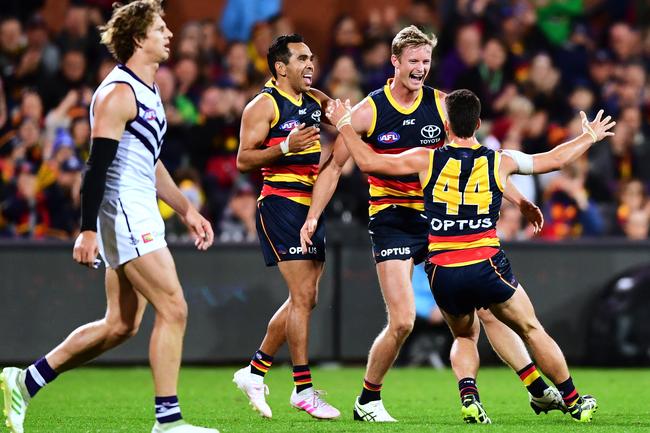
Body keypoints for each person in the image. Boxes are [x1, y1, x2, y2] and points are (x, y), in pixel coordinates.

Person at [300, 25, 561, 422]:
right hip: (389, 220)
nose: (421, 68)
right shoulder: (370, 110)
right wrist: (313, 215)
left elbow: (476, 162)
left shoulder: (442, 106)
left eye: (426, 61)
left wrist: (519, 199)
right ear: (395, 62)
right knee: (402, 320)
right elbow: (335, 168)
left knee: (489, 309)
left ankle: (537, 388)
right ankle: (367, 400)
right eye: (414, 61)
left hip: (434, 220)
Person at [326, 89, 614, 423]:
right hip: (486, 263)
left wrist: (345, 124)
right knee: (532, 329)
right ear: (478, 123)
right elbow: (554, 159)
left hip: (444, 270)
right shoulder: (499, 160)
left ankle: (470, 397)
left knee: (465, 335)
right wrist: (589, 137)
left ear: (446, 125)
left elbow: (369, 162)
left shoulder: (426, 159)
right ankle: (574, 400)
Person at [0, 2, 219, 433]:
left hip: (137, 210)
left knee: (120, 325)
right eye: (160, 29)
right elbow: (96, 167)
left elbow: (150, 163)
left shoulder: (148, 89)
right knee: (174, 307)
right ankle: (168, 422)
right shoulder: (119, 92)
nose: (169, 35)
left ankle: (23, 382)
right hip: (124, 212)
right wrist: (86, 231)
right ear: (139, 39)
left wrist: (188, 209)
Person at [232, 34, 340, 420]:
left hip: (312, 205)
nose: (310, 64)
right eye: (301, 59)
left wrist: (334, 106)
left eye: (311, 58)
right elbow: (243, 159)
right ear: (280, 67)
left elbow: (332, 109)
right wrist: (285, 147)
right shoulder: (262, 105)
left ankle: (255, 372)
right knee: (301, 295)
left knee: (306, 298)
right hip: (280, 204)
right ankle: (303, 388)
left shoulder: (311, 99)